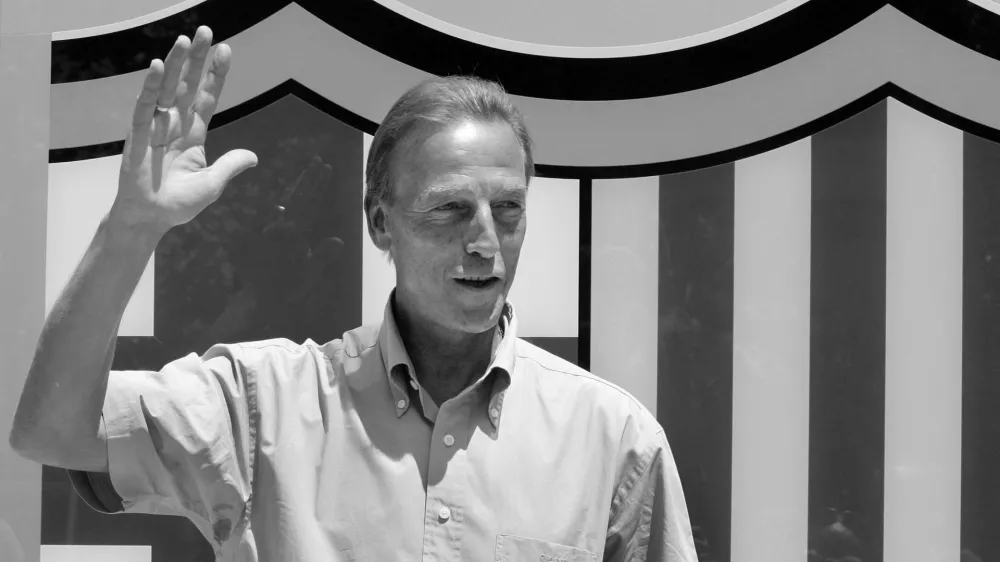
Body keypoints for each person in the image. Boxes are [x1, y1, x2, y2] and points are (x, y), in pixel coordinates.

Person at [8, 25, 697, 561]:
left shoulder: (615, 440)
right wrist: (131, 228)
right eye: (450, 210)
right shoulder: (261, 409)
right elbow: (53, 429)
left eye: (508, 210)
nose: (485, 240)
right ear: (379, 223)